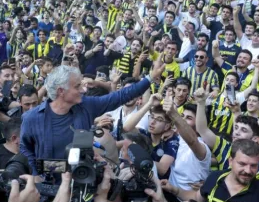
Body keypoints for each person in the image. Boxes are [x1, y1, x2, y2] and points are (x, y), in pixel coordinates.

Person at [20, 62, 165, 174]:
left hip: (82, 184)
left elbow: (120, 96)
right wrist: (36, 174)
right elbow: (25, 150)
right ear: (61, 91)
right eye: (77, 86)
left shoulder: (86, 106)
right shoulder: (31, 118)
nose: (84, 90)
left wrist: (150, 78)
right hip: (49, 187)